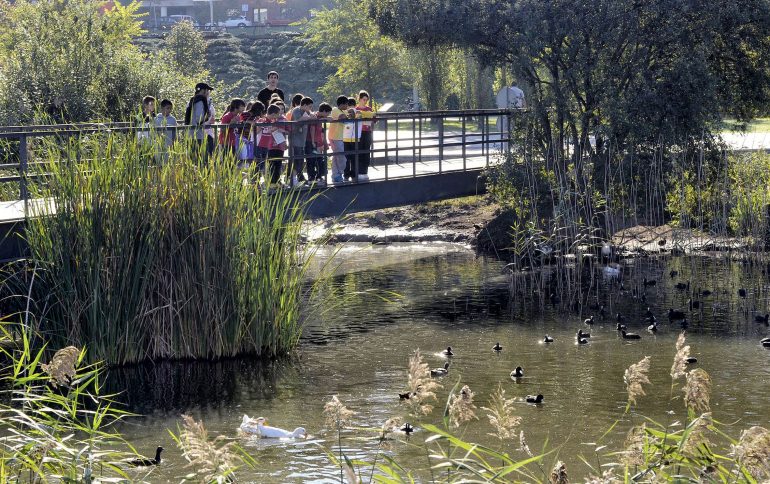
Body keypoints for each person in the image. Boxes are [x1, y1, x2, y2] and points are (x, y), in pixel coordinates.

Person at [256, 104, 288, 187]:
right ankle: (257, 183)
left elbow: (278, 131)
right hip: (261, 146)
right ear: (274, 114)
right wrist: (261, 125)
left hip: (270, 146)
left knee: (274, 163)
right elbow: (256, 131)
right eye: (278, 114)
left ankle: (275, 182)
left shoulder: (273, 122)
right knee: (261, 164)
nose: (279, 116)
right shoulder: (262, 121)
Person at [185, 82, 215, 163]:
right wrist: (207, 116)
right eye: (207, 90)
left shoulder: (193, 100)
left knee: (193, 160)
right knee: (201, 160)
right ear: (203, 90)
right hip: (197, 134)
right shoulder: (200, 101)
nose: (208, 92)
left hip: (191, 133)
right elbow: (199, 119)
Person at [287, 96, 314, 187]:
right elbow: (299, 120)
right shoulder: (296, 110)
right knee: (296, 160)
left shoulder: (306, 111)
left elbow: (312, 116)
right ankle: (292, 180)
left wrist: (311, 115)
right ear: (305, 105)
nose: (310, 109)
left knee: (300, 160)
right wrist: (308, 117)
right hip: (295, 139)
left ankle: (298, 179)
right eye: (309, 107)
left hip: (301, 140)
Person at [307, 102, 331, 185]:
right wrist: (313, 141)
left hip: (318, 142)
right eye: (328, 113)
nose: (328, 115)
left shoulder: (319, 117)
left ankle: (318, 177)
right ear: (324, 111)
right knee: (312, 160)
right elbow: (312, 129)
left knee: (319, 160)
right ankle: (312, 178)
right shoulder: (315, 116)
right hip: (313, 142)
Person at [354, 90, 375, 182]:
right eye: (363, 99)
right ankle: (358, 172)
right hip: (358, 133)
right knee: (359, 152)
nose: (365, 101)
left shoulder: (369, 109)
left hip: (367, 132)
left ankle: (365, 171)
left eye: (366, 100)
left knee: (366, 152)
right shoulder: (355, 109)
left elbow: (373, 121)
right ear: (359, 99)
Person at [328, 96, 349, 184]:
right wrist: (350, 114)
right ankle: (339, 173)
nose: (347, 106)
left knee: (336, 157)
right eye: (346, 104)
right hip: (335, 137)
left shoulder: (343, 111)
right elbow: (342, 117)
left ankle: (336, 175)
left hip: (340, 137)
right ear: (342, 104)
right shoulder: (335, 110)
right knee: (341, 157)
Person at [154, 99, 176, 163]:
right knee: (159, 162)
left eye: (170, 108)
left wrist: (174, 142)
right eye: (167, 108)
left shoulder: (173, 119)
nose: (169, 110)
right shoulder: (156, 119)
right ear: (162, 108)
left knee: (168, 162)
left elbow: (175, 132)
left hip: (169, 144)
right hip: (158, 145)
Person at [343, 96, 358, 180]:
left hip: (354, 138)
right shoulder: (344, 113)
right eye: (349, 106)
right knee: (347, 158)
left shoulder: (357, 113)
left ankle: (352, 175)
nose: (350, 109)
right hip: (346, 138)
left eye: (352, 106)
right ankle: (347, 175)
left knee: (353, 157)